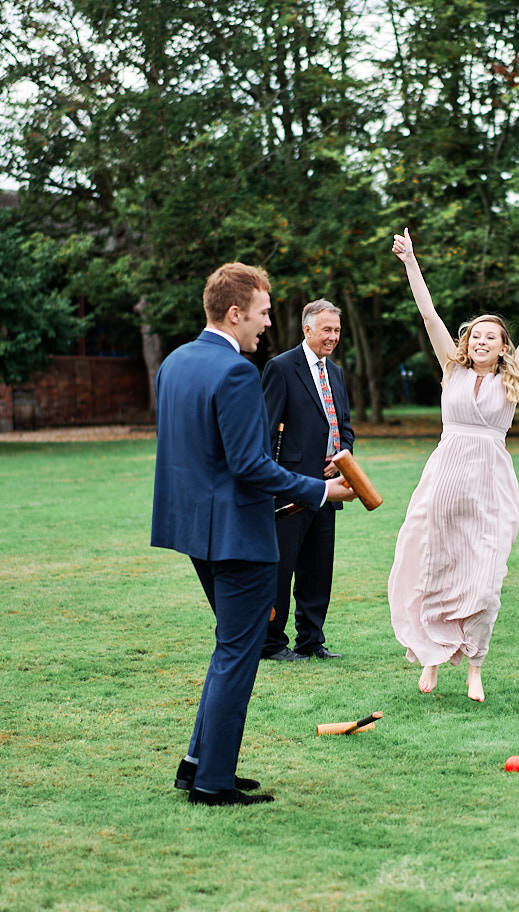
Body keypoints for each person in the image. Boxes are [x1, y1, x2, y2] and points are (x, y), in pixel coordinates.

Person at [151, 262, 356, 806]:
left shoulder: (175, 362)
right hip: (238, 535)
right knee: (238, 654)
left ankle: (196, 763)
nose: (268, 323)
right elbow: (251, 465)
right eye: (264, 313)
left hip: (193, 530)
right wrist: (319, 490)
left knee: (229, 649)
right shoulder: (237, 370)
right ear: (236, 312)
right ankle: (213, 782)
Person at [387, 228, 519, 702]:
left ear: (503, 346)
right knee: (433, 568)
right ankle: (432, 660)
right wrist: (411, 260)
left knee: (485, 578)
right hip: (444, 483)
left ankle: (475, 666)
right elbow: (429, 314)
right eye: (475, 335)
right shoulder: (450, 370)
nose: (481, 342)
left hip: (490, 487)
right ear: (467, 342)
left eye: (490, 337)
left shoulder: (512, 378)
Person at [260, 299, 355, 662]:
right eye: (326, 330)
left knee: (318, 569)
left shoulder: (337, 373)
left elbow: (344, 426)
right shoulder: (281, 368)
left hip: (329, 488)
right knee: (282, 569)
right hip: (290, 490)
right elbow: (266, 432)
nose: (333, 337)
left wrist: (342, 457)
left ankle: (311, 640)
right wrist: (272, 483)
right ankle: (270, 643)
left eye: (336, 330)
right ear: (307, 329)